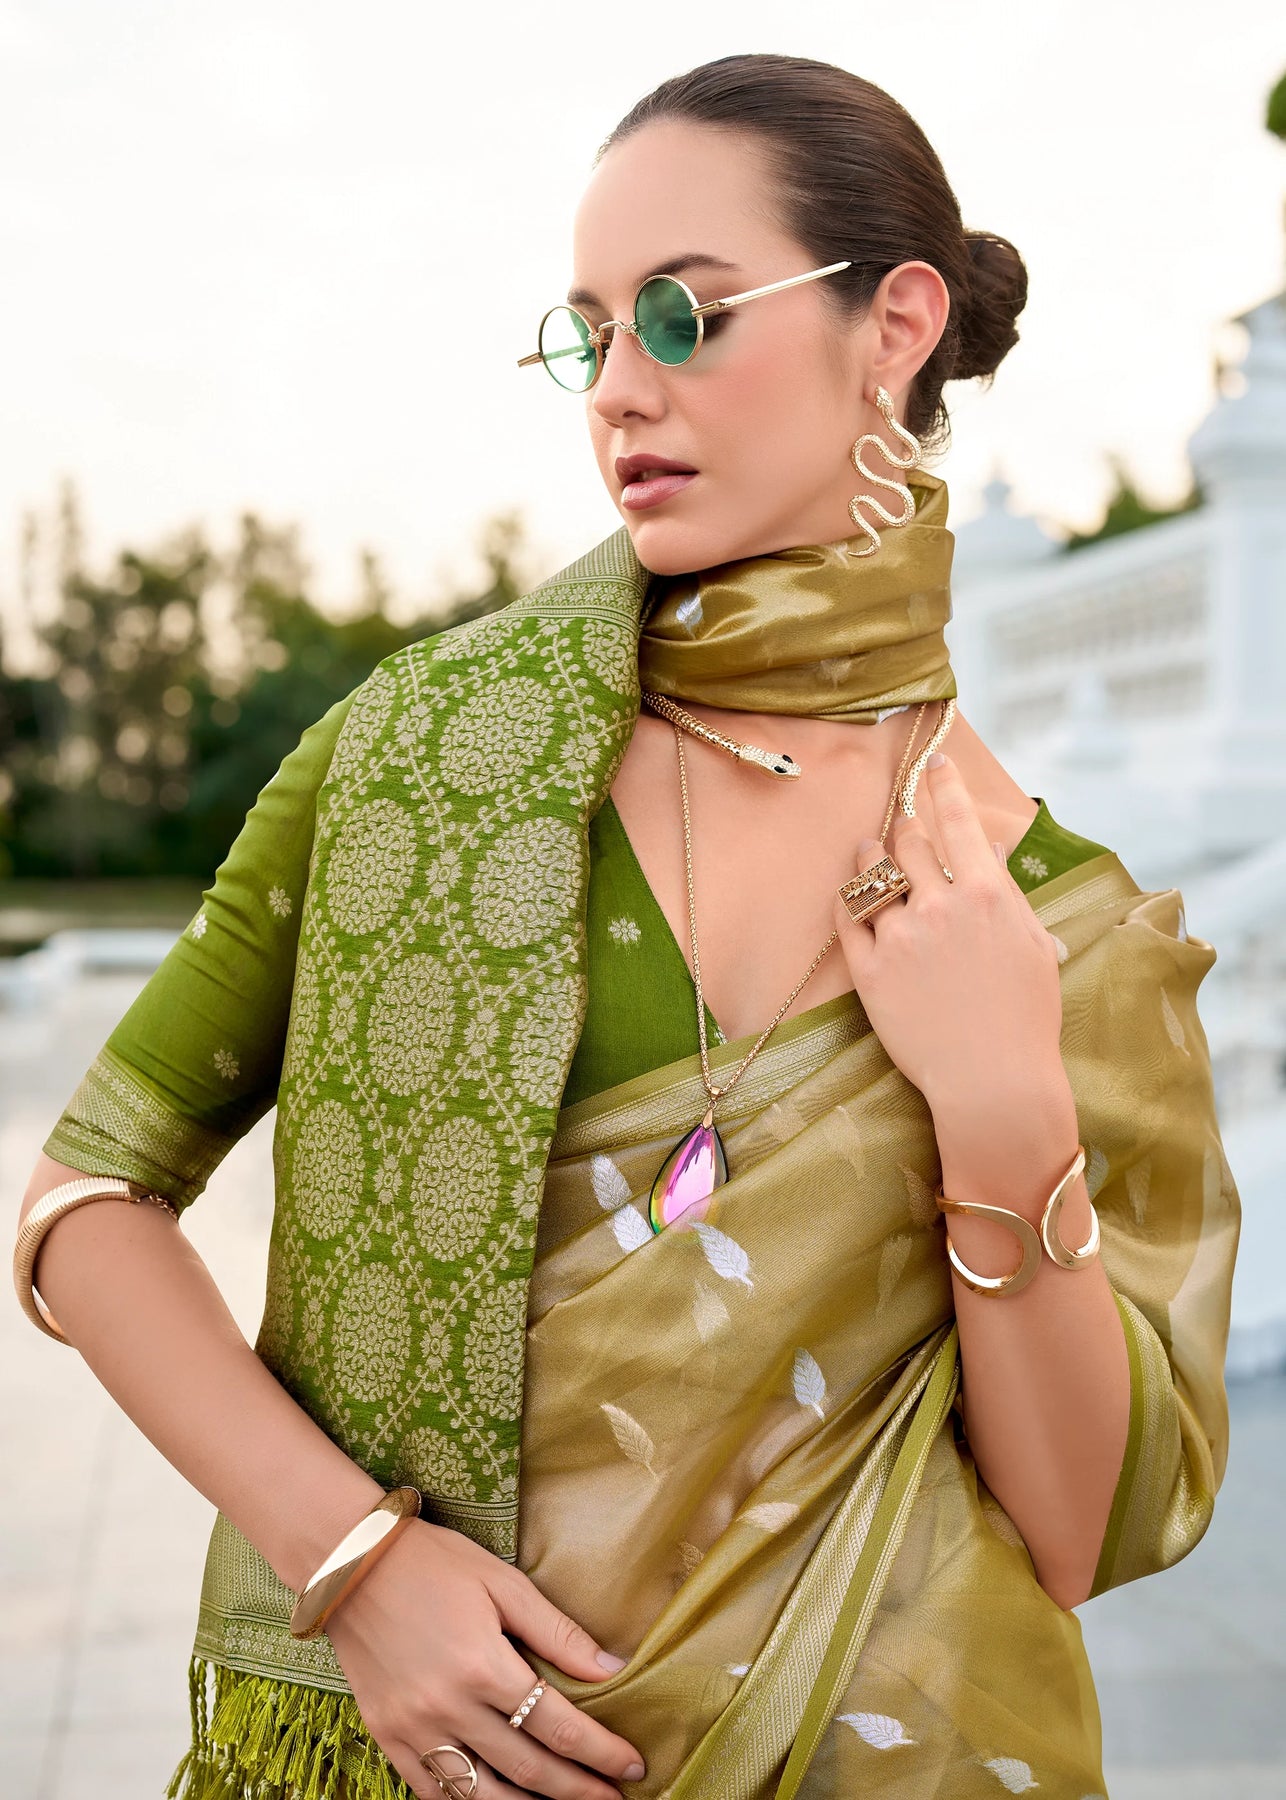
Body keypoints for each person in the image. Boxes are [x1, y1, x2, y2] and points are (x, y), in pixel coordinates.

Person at [14, 50, 1239, 1800]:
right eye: (588, 333)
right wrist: (352, 1560)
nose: (615, 391)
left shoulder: (1063, 923)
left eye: (682, 315)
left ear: (893, 327)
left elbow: (1072, 1527)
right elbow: (83, 1206)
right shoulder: (429, 756)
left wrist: (1002, 1105)